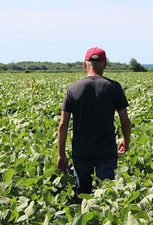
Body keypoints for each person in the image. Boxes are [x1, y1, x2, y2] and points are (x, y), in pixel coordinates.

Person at [57, 47, 131, 194]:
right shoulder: (114, 87)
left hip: (81, 151)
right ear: (105, 65)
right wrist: (125, 140)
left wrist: (61, 154)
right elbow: (125, 122)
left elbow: (63, 124)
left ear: (85, 64)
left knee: (82, 196)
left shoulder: (73, 88)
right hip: (106, 151)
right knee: (107, 196)